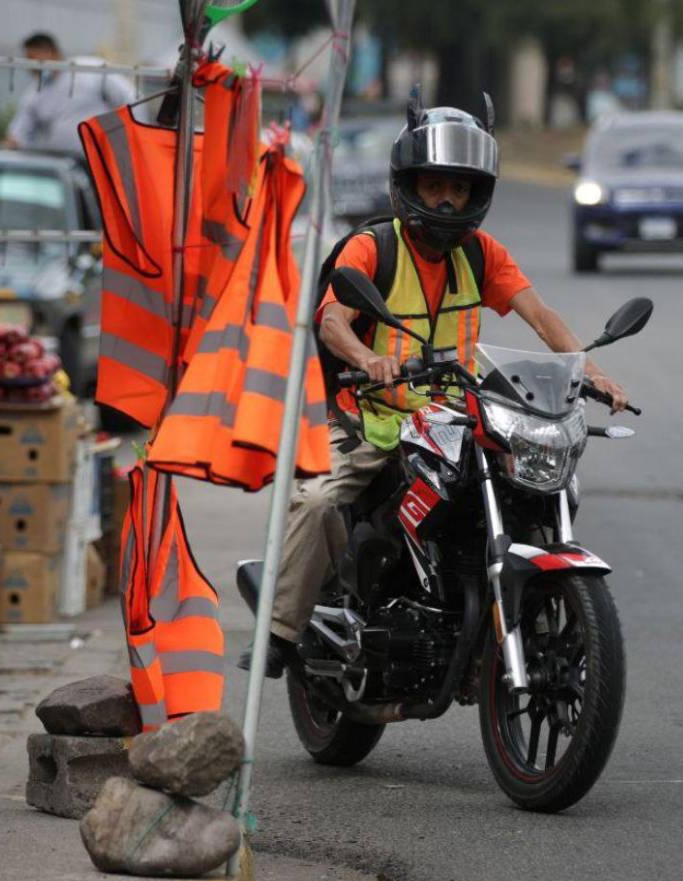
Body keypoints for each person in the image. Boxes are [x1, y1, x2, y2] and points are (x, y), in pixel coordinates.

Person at [241, 93, 630, 677]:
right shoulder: (372, 246)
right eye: (434, 186)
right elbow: (331, 320)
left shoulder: (482, 254)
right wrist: (367, 357)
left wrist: (587, 368)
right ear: (408, 185)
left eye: (460, 187)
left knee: (527, 478)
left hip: (454, 418)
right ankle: (281, 630)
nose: (448, 198)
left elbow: (541, 315)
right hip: (371, 419)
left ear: (477, 193)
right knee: (319, 497)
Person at [5, 32, 135, 155]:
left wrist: (132, 139)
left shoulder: (91, 70)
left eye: (36, 61)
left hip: (104, 157)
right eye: (29, 61)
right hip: (62, 164)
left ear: (53, 53)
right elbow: (19, 132)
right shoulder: (35, 93)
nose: (32, 68)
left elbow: (130, 99)